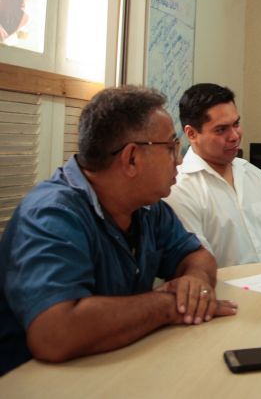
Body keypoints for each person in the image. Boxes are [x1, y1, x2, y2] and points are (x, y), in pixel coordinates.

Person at [0, 86, 237, 376]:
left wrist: (194, 280)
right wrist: (168, 305)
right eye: (170, 148)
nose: (178, 160)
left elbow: (196, 255)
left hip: (111, 365)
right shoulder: (52, 214)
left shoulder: (147, 206)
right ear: (132, 158)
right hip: (34, 381)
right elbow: (54, 333)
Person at [164, 83, 261, 268]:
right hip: (224, 293)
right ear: (192, 133)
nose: (234, 136)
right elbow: (196, 265)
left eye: (236, 124)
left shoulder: (252, 174)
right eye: (221, 129)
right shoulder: (180, 188)